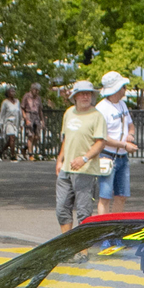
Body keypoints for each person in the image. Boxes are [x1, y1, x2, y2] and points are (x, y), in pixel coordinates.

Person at [52, 79, 105, 232]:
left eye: (88, 94)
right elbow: (66, 138)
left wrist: (84, 158)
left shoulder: (96, 116)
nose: (85, 97)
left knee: (83, 213)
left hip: (86, 171)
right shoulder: (69, 113)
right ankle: (67, 246)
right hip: (66, 170)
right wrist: (60, 159)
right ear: (75, 96)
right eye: (81, 94)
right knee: (62, 209)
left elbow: (100, 142)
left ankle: (83, 253)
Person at [95, 71, 137, 214]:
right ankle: (104, 228)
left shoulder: (122, 104)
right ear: (116, 89)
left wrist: (130, 135)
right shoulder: (101, 108)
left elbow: (131, 125)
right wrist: (124, 145)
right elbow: (102, 137)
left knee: (122, 195)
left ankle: (116, 225)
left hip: (123, 157)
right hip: (106, 156)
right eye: (123, 86)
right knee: (105, 196)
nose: (125, 89)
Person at [0, 89, 23, 160]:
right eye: (11, 92)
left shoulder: (17, 102)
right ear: (8, 93)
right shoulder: (5, 102)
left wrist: (21, 122)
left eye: (14, 91)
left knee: (11, 140)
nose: (13, 93)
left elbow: (20, 112)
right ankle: (12, 155)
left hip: (16, 122)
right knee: (12, 137)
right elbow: (2, 113)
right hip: (8, 121)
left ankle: (1, 151)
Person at [18, 84, 44, 158]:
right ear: (32, 89)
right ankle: (30, 154)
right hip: (29, 115)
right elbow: (22, 108)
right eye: (36, 90)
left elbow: (40, 110)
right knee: (30, 136)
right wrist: (26, 118)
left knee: (37, 136)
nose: (37, 92)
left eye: (38, 90)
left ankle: (25, 148)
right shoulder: (26, 96)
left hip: (36, 117)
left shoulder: (38, 98)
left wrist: (42, 120)